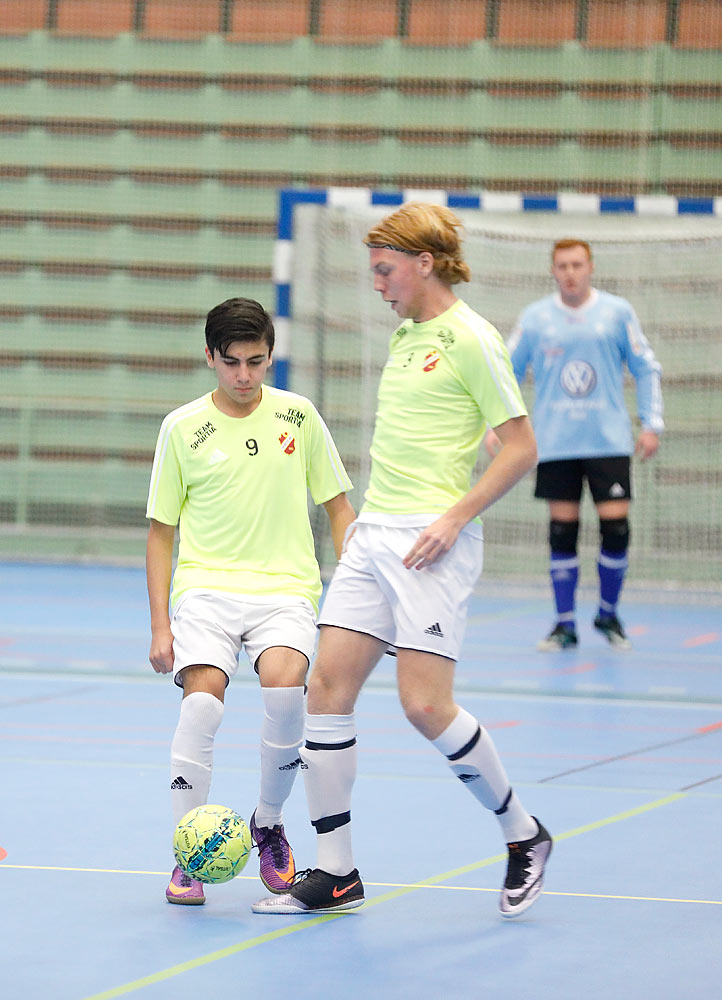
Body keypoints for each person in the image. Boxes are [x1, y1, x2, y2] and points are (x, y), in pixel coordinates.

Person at [252, 202, 551, 918]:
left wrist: (454, 516)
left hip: (431, 544)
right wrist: (360, 523)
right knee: (325, 692)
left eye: (386, 271)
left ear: (424, 263)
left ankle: (524, 834)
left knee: (423, 705)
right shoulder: (406, 336)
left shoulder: (472, 338)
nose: (378, 284)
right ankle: (338, 871)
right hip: (375, 537)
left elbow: (519, 446)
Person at [147, 296, 356, 905]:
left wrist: (354, 595)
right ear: (210, 356)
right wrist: (161, 626)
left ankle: (267, 822)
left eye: (257, 362)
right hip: (206, 589)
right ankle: (189, 851)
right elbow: (161, 532)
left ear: (271, 357)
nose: (244, 376)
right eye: (232, 362)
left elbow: (339, 508)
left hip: (285, 589)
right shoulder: (182, 428)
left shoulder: (299, 417)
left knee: (288, 693)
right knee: (202, 709)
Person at [501, 239, 663, 652]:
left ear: (590, 267)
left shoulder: (616, 312)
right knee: (562, 532)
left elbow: (645, 366)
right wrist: (497, 426)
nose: (569, 272)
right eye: (562, 266)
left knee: (616, 529)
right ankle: (564, 624)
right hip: (556, 442)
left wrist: (651, 423)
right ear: (553, 271)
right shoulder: (536, 319)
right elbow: (505, 373)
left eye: (576, 264)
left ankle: (608, 615)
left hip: (608, 440)